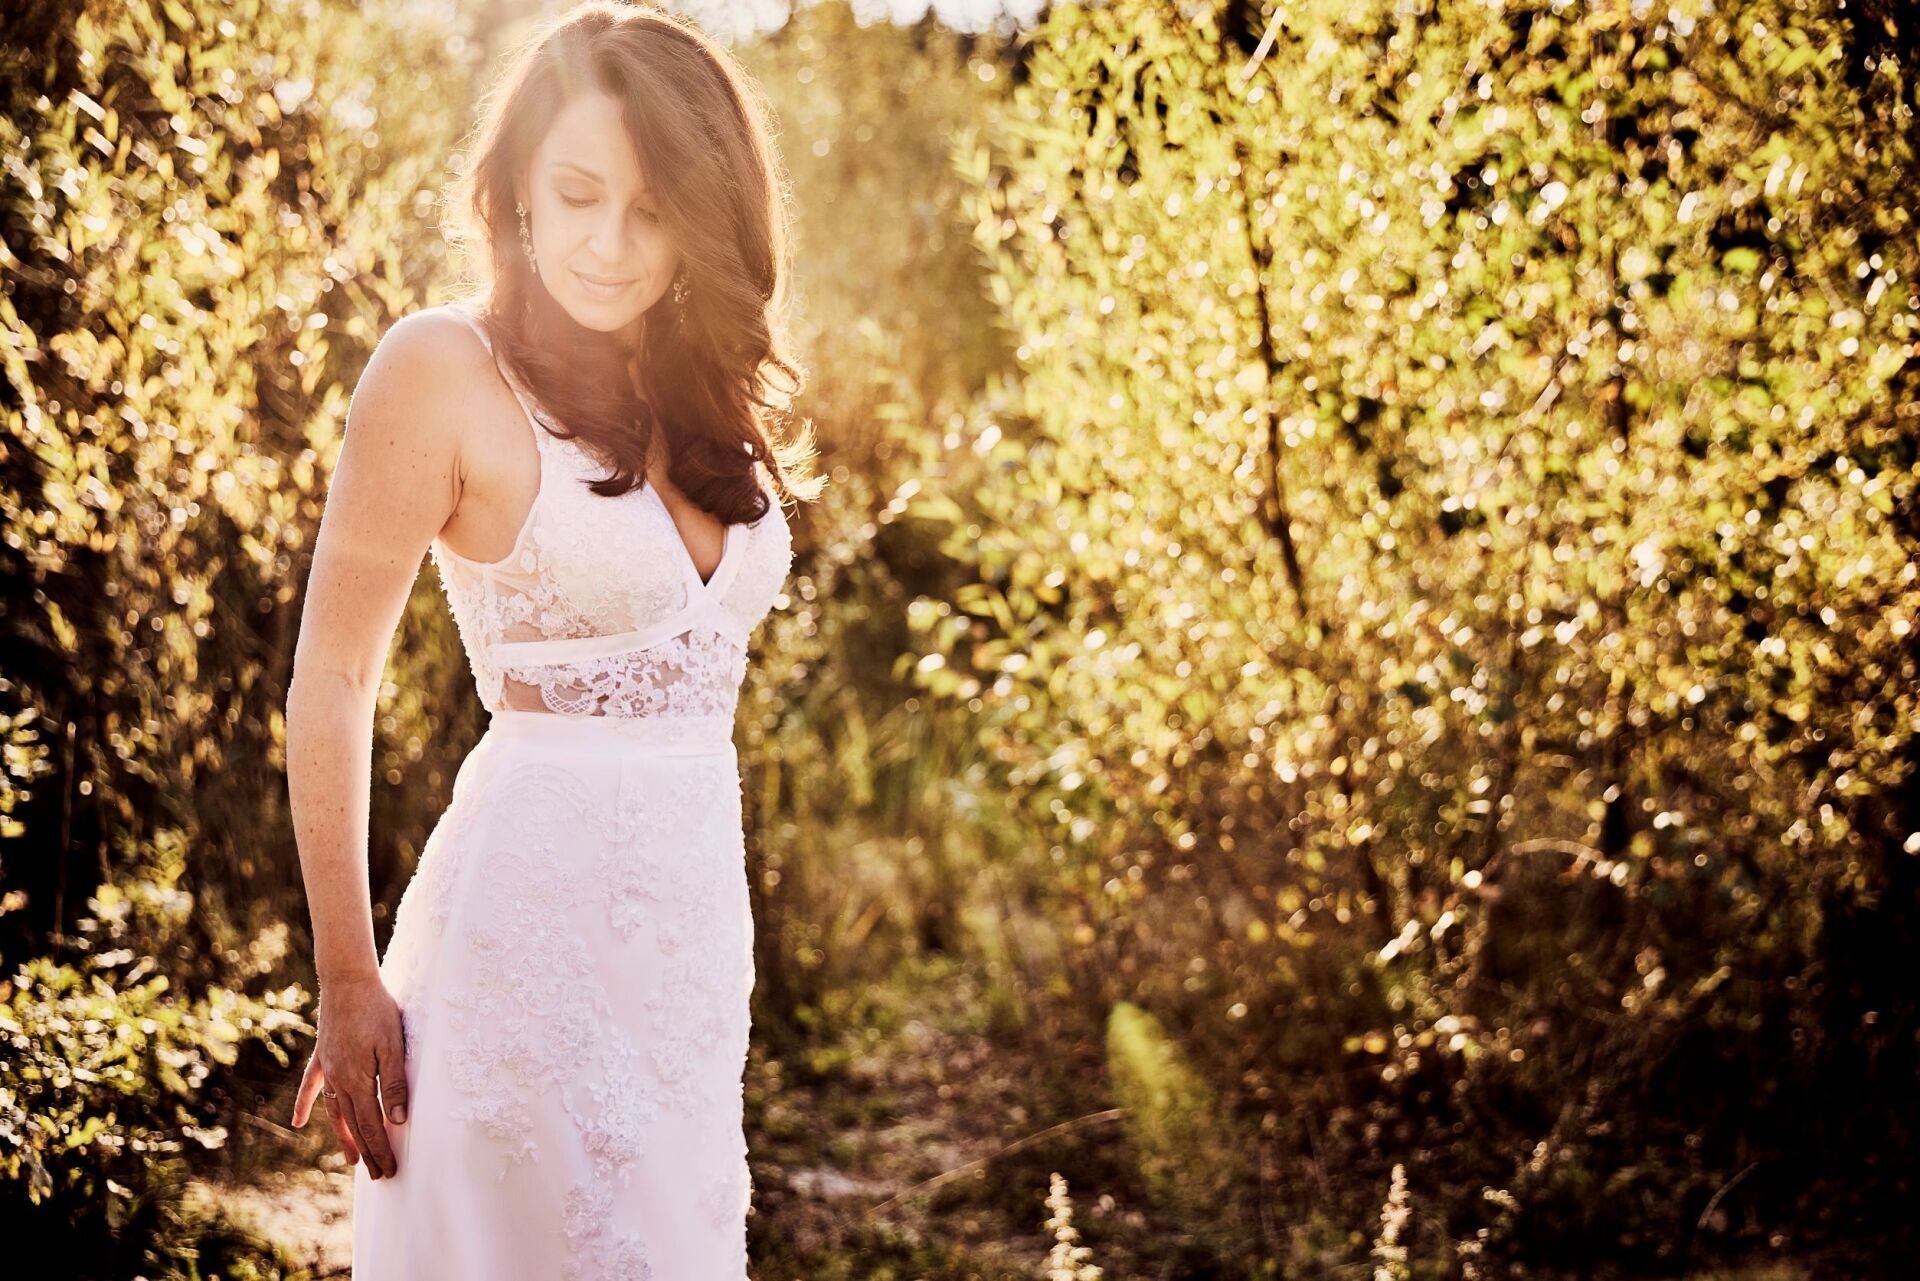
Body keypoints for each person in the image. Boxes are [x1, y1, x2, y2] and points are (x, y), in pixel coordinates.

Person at [283, 4, 815, 1275]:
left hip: (688, 959)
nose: (609, 245)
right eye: (577, 194)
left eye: (652, 209)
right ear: (516, 185)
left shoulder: (702, 395)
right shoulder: (441, 369)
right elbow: (334, 676)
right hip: (518, 955)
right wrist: (347, 974)